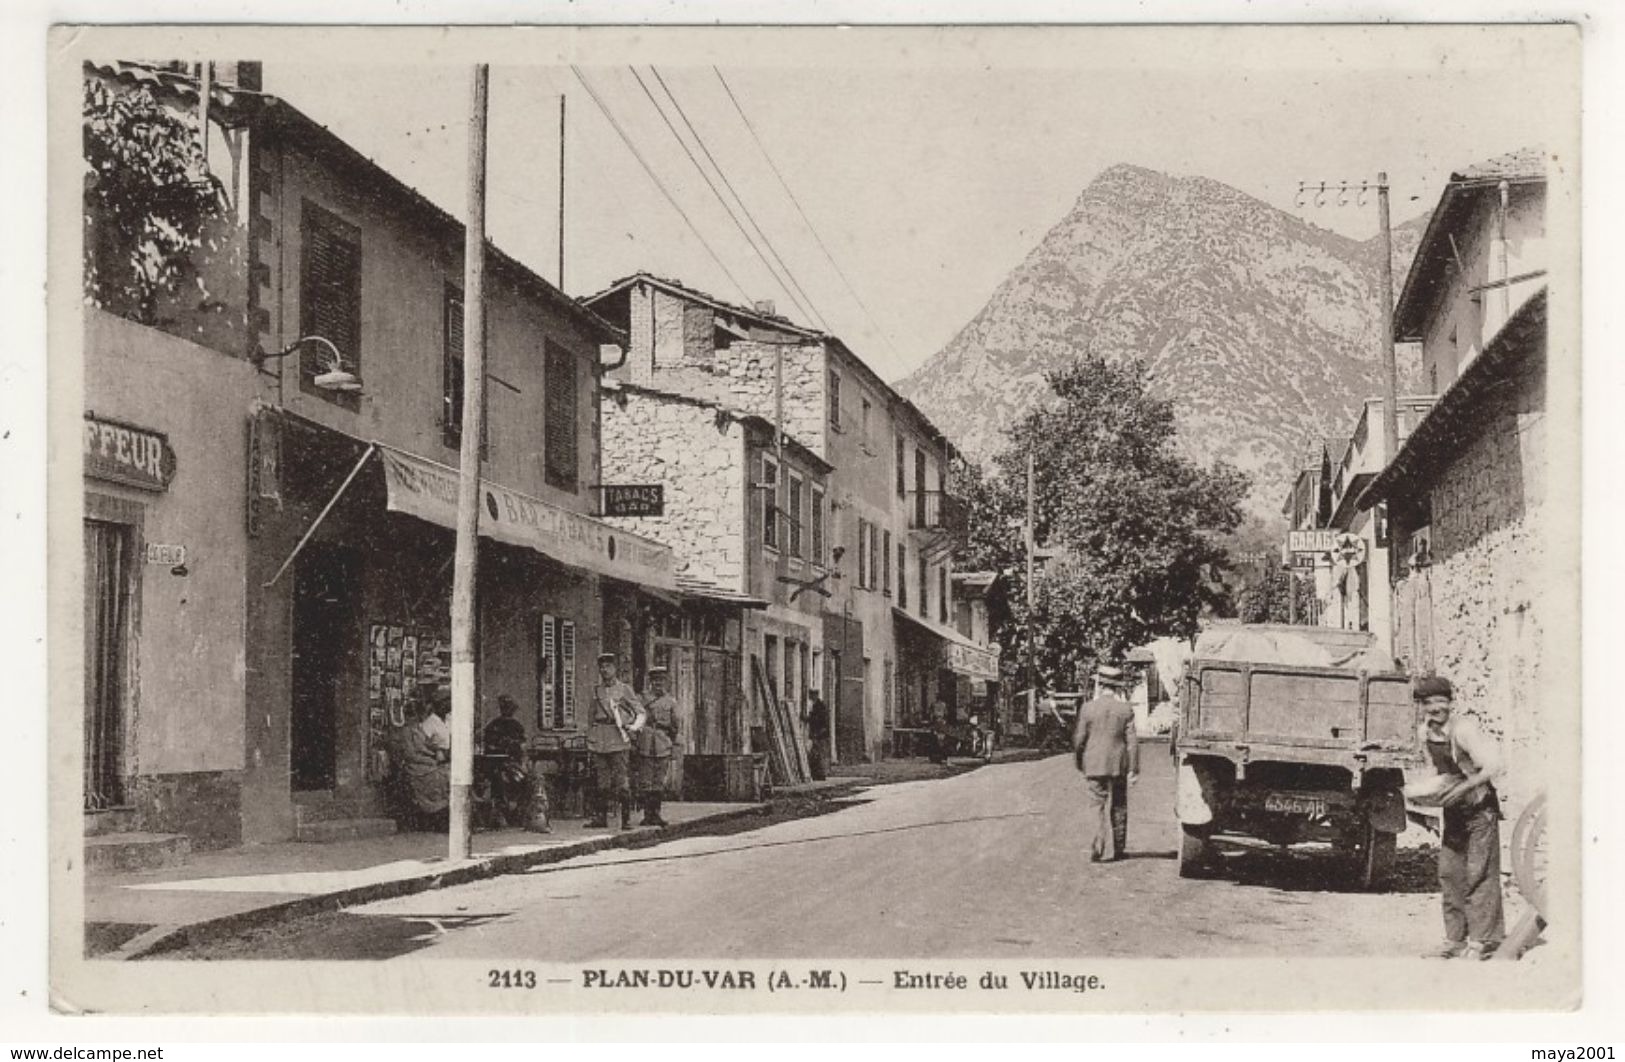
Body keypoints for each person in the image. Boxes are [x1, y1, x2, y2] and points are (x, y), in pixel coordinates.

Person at [1415, 675, 1506, 960]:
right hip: (1453, 811)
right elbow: (1434, 773)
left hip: (1480, 811)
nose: (1434, 708)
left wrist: (1464, 787)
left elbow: (1494, 766)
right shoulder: (1424, 734)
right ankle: (1454, 940)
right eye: (1428, 703)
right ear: (1422, 706)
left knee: (1479, 873)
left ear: (1450, 703)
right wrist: (1422, 803)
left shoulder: (1463, 730)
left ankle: (1482, 941)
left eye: (1440, 702)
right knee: (1450, 873)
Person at [1072, 663, 1140, 863]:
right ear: (1118, 687)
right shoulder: (1125, 710)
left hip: (1094, 764)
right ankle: (1119, 848)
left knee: (1096, 805)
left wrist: (1079, 761)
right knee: (1119, 805)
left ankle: (1098, 844)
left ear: (1100, 685)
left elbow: (1079, 739)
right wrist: (1134, 768)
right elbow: (1132, 742)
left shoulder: (1088, 709)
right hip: (1118, 765)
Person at [585, 652, 646, 830]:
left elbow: (640, 711)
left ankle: (625, 820)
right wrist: (590, 736)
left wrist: (634, 727)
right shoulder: (597, 690)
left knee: (621, 781)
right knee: (601, 781)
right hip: (600, 738)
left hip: (618, 738)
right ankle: (601, 819)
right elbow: (591, 716)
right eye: (602, 667)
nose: (604, 670)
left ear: (615, 669)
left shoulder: (624, 689)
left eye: (608, 667)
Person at [482, 694, 543, 829]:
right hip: (498, 764)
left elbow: (522, 748)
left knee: (528, 780)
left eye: (510, 707)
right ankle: (504, 812)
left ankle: (519, 813)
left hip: (512, 764)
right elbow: (489, 747)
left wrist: (522, 762)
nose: (508, 710)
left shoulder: (515, 726)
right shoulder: (494, 726)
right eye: (506, 707)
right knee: (502, 781)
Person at [633, 666, 680, 826]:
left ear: (666, 682)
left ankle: (656, 814)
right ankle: (647, 815)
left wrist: (671, 743)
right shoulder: (642, 700)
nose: (658, 683)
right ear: (650, 682)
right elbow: (635, 720)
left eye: (661, 680)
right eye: (655, 680)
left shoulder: (671, 702)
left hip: (662, 744)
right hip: (645, 743)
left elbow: (675, 725)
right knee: (646, 781)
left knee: (659, 781)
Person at [395, 695, 450, 831]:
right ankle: (437, 809)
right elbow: (410, 755)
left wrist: (433, 749)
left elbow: (424, 746)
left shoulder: (418, 730)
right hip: (415, 767)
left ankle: (443, 810)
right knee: (437, 776)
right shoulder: (406, 732)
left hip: (425, 764)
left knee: (445, 773)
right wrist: (430, 759)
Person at [803, 690, 831, 781]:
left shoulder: (819, 706)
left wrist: (807, 719)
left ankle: (821, 775)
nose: (810, 697)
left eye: (811, 695)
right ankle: (818, 775)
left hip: (819, 734)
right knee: (817, 754)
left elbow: (818, 720)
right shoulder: (817, 705)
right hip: (818, 733)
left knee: (818, 755)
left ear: (815, 695)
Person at [421, 686, 452, 759]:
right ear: (436, 705)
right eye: (441, 703)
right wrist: (436, 750)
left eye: (447, 702)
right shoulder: (429, 723)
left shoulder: (450, 718)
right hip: (438, 759)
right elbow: (422, 744)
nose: (445, 706)